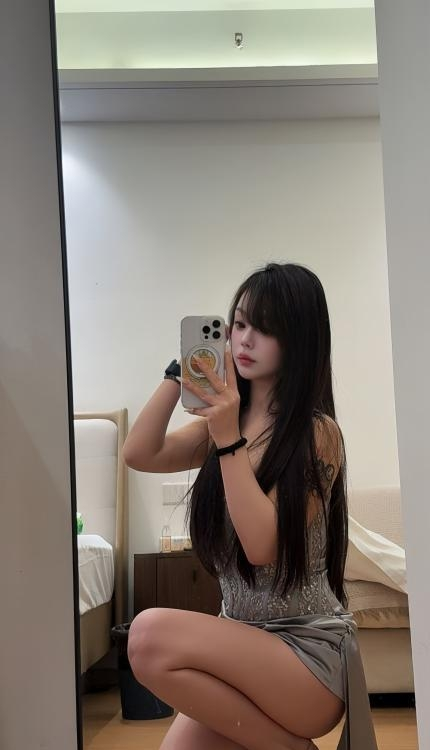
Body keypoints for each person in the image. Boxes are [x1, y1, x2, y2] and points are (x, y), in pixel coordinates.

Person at [123, 262, 378, 750]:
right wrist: (181, 373)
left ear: (298, 339)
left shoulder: (317, 433)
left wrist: (226, 439)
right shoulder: (225, 422)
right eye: (238, 324)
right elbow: (140, 453)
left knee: (148, 634)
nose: (244, 339)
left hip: (306, 657)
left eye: (265, 328)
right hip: (242, 641)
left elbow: (261, 547)